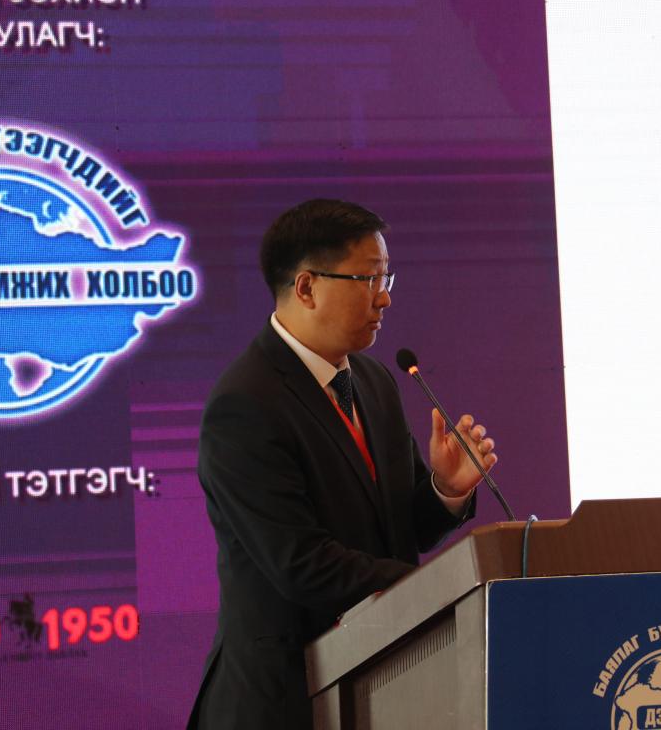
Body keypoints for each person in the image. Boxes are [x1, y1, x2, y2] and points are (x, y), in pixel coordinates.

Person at [188, 199, 498, 729]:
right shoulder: (245, 404)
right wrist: (436, 588)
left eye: (386, 278)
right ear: (307, 287)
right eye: (368, 279)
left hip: (382, 683)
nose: (384, 297)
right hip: (284, 700)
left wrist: (445, 489)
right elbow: (301, 563)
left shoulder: (373, 381)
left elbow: (401, 529)